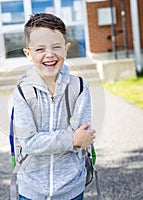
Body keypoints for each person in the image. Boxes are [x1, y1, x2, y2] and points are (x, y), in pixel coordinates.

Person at [13, 13, 96, 200]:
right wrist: (71, 140)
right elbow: (29, 142)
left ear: (66, 49)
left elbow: (82, 137)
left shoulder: (79, 87)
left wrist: (39, 141)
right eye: (40, 49)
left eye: (56, 47)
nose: (49, 54)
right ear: (28, 53)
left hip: (71, 188)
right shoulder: (22, 92)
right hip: (30, 190)